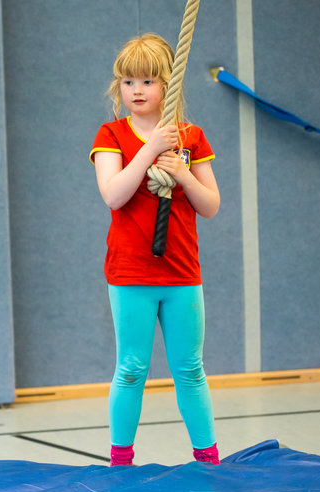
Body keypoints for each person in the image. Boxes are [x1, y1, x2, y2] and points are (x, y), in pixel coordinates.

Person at [89, 34, 222, 466]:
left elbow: (211, 205)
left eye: (147, 81)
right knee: (131, 368)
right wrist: (148, 150)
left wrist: (182, 173)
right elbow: (113, 195)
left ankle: (207, 456)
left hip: (182, 273)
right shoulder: (111, 134)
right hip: (130, 273)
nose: (138, 91)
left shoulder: (190, 136)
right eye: (128, 82)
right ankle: (120, 458)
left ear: (168, 84)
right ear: (118, 87)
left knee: (189, 369)